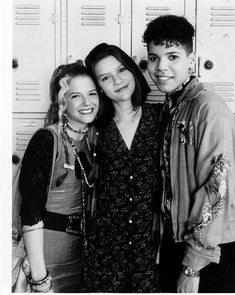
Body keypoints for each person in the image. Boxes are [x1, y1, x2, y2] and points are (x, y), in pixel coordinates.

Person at [142, 14, 235, 293]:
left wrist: (192, 265)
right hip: (178, 243)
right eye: (154, 58)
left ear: (191, 61)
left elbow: (219, 188)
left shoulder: (208, 107)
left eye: (173, 57)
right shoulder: (174, 106)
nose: (161, 67)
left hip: (209, 252)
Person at [83, 43, 162, 292]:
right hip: (106, 252)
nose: (117, 81)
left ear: (132, 70)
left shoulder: (161, 118)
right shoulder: (95, 129)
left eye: (121, 70)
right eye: (106, 78)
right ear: (99, 87)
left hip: (150, 250)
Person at [18, 62, 100, 292]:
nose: (87, 103)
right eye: (76, 96)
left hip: (83, 260)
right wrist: (39, 277)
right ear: (62, 100)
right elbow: (31, 211)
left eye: (92, 94)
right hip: (48, 261)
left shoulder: (96, 139)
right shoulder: (47, 139)